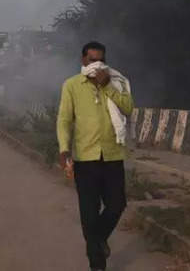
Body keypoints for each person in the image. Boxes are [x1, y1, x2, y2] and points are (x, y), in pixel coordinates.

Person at [56, 41, 134, 271]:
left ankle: (97, 240)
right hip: (85, 158)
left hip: (112, 155)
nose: (96, 65)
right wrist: (64, 148)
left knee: (117, 204)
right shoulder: (71, 85)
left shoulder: (116, 82)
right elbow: (64, 120)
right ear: (83, 60)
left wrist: (107, 85)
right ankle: (97, 264)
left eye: (101, 60)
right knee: (89, 215)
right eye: (92, 60)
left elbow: (128, 108)